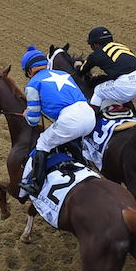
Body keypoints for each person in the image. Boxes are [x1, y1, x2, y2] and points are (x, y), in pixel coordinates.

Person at [20, 45, 95, 197]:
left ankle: (36, 184)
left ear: (29, 70)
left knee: (43, 142)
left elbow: (34, 120)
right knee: (67, 137)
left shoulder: (33, 84)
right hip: (89, 115)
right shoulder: (63, 74)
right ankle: (83, 163)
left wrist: (27, 115)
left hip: (70, 119)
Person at [78, 26, 136, 111]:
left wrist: (77, 65)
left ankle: (92, 118)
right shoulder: (121, 46)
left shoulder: (96, 54)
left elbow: (81, 71)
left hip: (125, 84)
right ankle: (134, 116)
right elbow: (122, 70)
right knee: (123, 94)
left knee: (98, 91)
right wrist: (100, 77)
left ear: (95, 44)